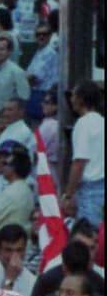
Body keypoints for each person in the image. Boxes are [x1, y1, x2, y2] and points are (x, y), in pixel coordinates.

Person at [63, 80, 104, 227]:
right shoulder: (102, 122)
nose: (71, 99)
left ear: (80, 98)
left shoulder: (83, 124)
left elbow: (79, 162)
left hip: (91, 189)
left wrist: (69, 194)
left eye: (73, 95)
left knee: (88, 234)